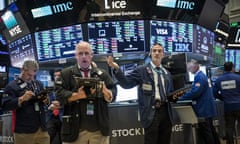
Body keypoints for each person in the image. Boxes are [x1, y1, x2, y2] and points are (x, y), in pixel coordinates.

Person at [107, 43, 174, 144]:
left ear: (163, 54)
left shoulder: (167, 73)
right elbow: (126, 84)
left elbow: (170, 93)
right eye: (154, 50)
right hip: (151, 112)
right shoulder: (141, 70)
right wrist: (117, 69)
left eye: (159, 51)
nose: (157, 53)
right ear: (150, 54)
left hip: (166, 112)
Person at [55, 41, 116, 144]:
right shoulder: (66, 74)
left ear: (91, 56)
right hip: (74, 130)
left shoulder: (102, 74)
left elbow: (113, 92)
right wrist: (76, 96)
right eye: (80, 53)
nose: (84, 56)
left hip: (98, 130)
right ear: (76, 56)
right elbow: (58, 93)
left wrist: (106, 91)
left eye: (86, 53)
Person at [1, 60, 50, 144]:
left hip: (42, 129)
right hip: (24, 131)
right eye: (29, 75)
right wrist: (21, 99)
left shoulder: (38, 84)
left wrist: (47, 100)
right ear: (22, 69)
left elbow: (47, 102)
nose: (31, 78)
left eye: (33, 76)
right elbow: (5, 105)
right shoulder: (12, 86)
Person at [178, 59, 220, 144]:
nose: (188, 70)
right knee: (211, 131)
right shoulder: (202, 76)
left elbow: (195, 92)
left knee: (207, 133)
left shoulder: (199, 77)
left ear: (196, 66)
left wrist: (180, 98)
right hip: (206, 108)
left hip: (203, 109)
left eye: (189, 67)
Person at [213, 61, 240, 144]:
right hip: (239, 105)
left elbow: (214, 93)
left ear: (224, 69)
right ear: (232, 68)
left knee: (229, 128)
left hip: (228, 107)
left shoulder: (219, 80)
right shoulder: (238, 78)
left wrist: (222, 98)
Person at [46, 69, 63, 144]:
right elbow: (46, 103)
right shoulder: (49, 89)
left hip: (63, 116)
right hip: (51, 116)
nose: (56, 77)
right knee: (48, 139)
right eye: (55, 75)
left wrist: (61, 105)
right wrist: (49, 105)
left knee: (63, 140)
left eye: (59, 75)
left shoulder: (66, 88)